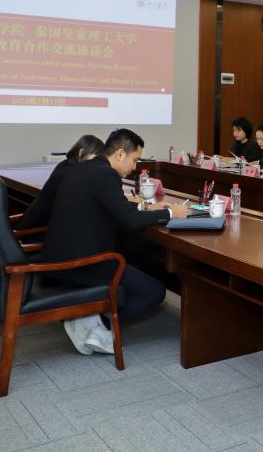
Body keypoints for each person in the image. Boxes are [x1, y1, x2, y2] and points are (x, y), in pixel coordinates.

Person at [42, 129, 188, 356]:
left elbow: (111, 204)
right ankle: (92, 322)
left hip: (59, 256)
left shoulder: (83, 168)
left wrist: (145, 207)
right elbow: (130, 221)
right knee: (153, 291)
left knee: (133, 262)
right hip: (81, 264)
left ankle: (90, 317)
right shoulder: (106, 175)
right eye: (135, 159)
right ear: (120, 154)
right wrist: (171, 213)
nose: (135, 167)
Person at [17, 134, 104, 229]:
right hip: (37, 230)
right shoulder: (72, 174)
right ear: (81, 152)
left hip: (37, 223)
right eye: (95, 158)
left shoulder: (65, 165)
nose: (98, 163)